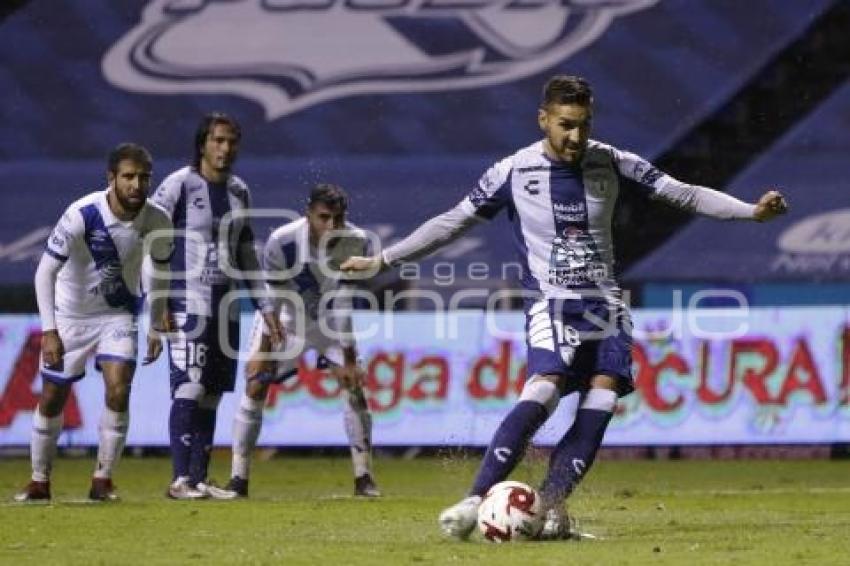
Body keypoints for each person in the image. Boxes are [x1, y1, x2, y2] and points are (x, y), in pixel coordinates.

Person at [341, 75, 788, 539]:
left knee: (603, 394)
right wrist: (383, 259)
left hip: (607, 305)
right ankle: (475, 501)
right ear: (544, 119)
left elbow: (684, 192)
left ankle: (551, 509)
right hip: (551, 304)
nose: (576, 136)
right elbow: (453, 222)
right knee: (546, 386)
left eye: (584, 125)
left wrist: (751, 212)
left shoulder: (612, 161)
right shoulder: (513, 171)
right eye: (566, 125)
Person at [15, 143, 173, 502]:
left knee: (119, 387)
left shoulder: (158, 219)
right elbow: (45, 272)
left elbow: (160, 271)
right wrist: (50, 330)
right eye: (128, 177)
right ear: (111, 178)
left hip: (117, 315)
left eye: (143, 177)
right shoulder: (82, 214)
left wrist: (154, 326)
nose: (136, 185)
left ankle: (102, 480)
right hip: (70, 317)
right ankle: (40, 480)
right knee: (53, 396)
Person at [151, 113, 283, 500]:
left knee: (212, 392)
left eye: (232, 141)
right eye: (218, 140)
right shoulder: (178, 185)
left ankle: (199, 478)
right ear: (203, 143)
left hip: (226, 306)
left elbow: (246, 255)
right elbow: (151, 244)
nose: (225, 149)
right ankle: (179, 480)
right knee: (190, 386)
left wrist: (266, 306)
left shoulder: (240, 191)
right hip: (184, 300)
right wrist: (157, 302)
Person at [227, 184, 380, 498]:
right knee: (256, 383)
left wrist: (349, 359)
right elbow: (274, 300)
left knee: (354, 387)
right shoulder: (282, 242)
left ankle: (364, 478)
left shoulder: (357, 242)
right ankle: (238, 478)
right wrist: (263, 353)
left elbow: (344, 301)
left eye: (338, 218)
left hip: (329, 322)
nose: (331, 226)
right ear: (308, 213)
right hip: (284, 318)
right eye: (324, 217)